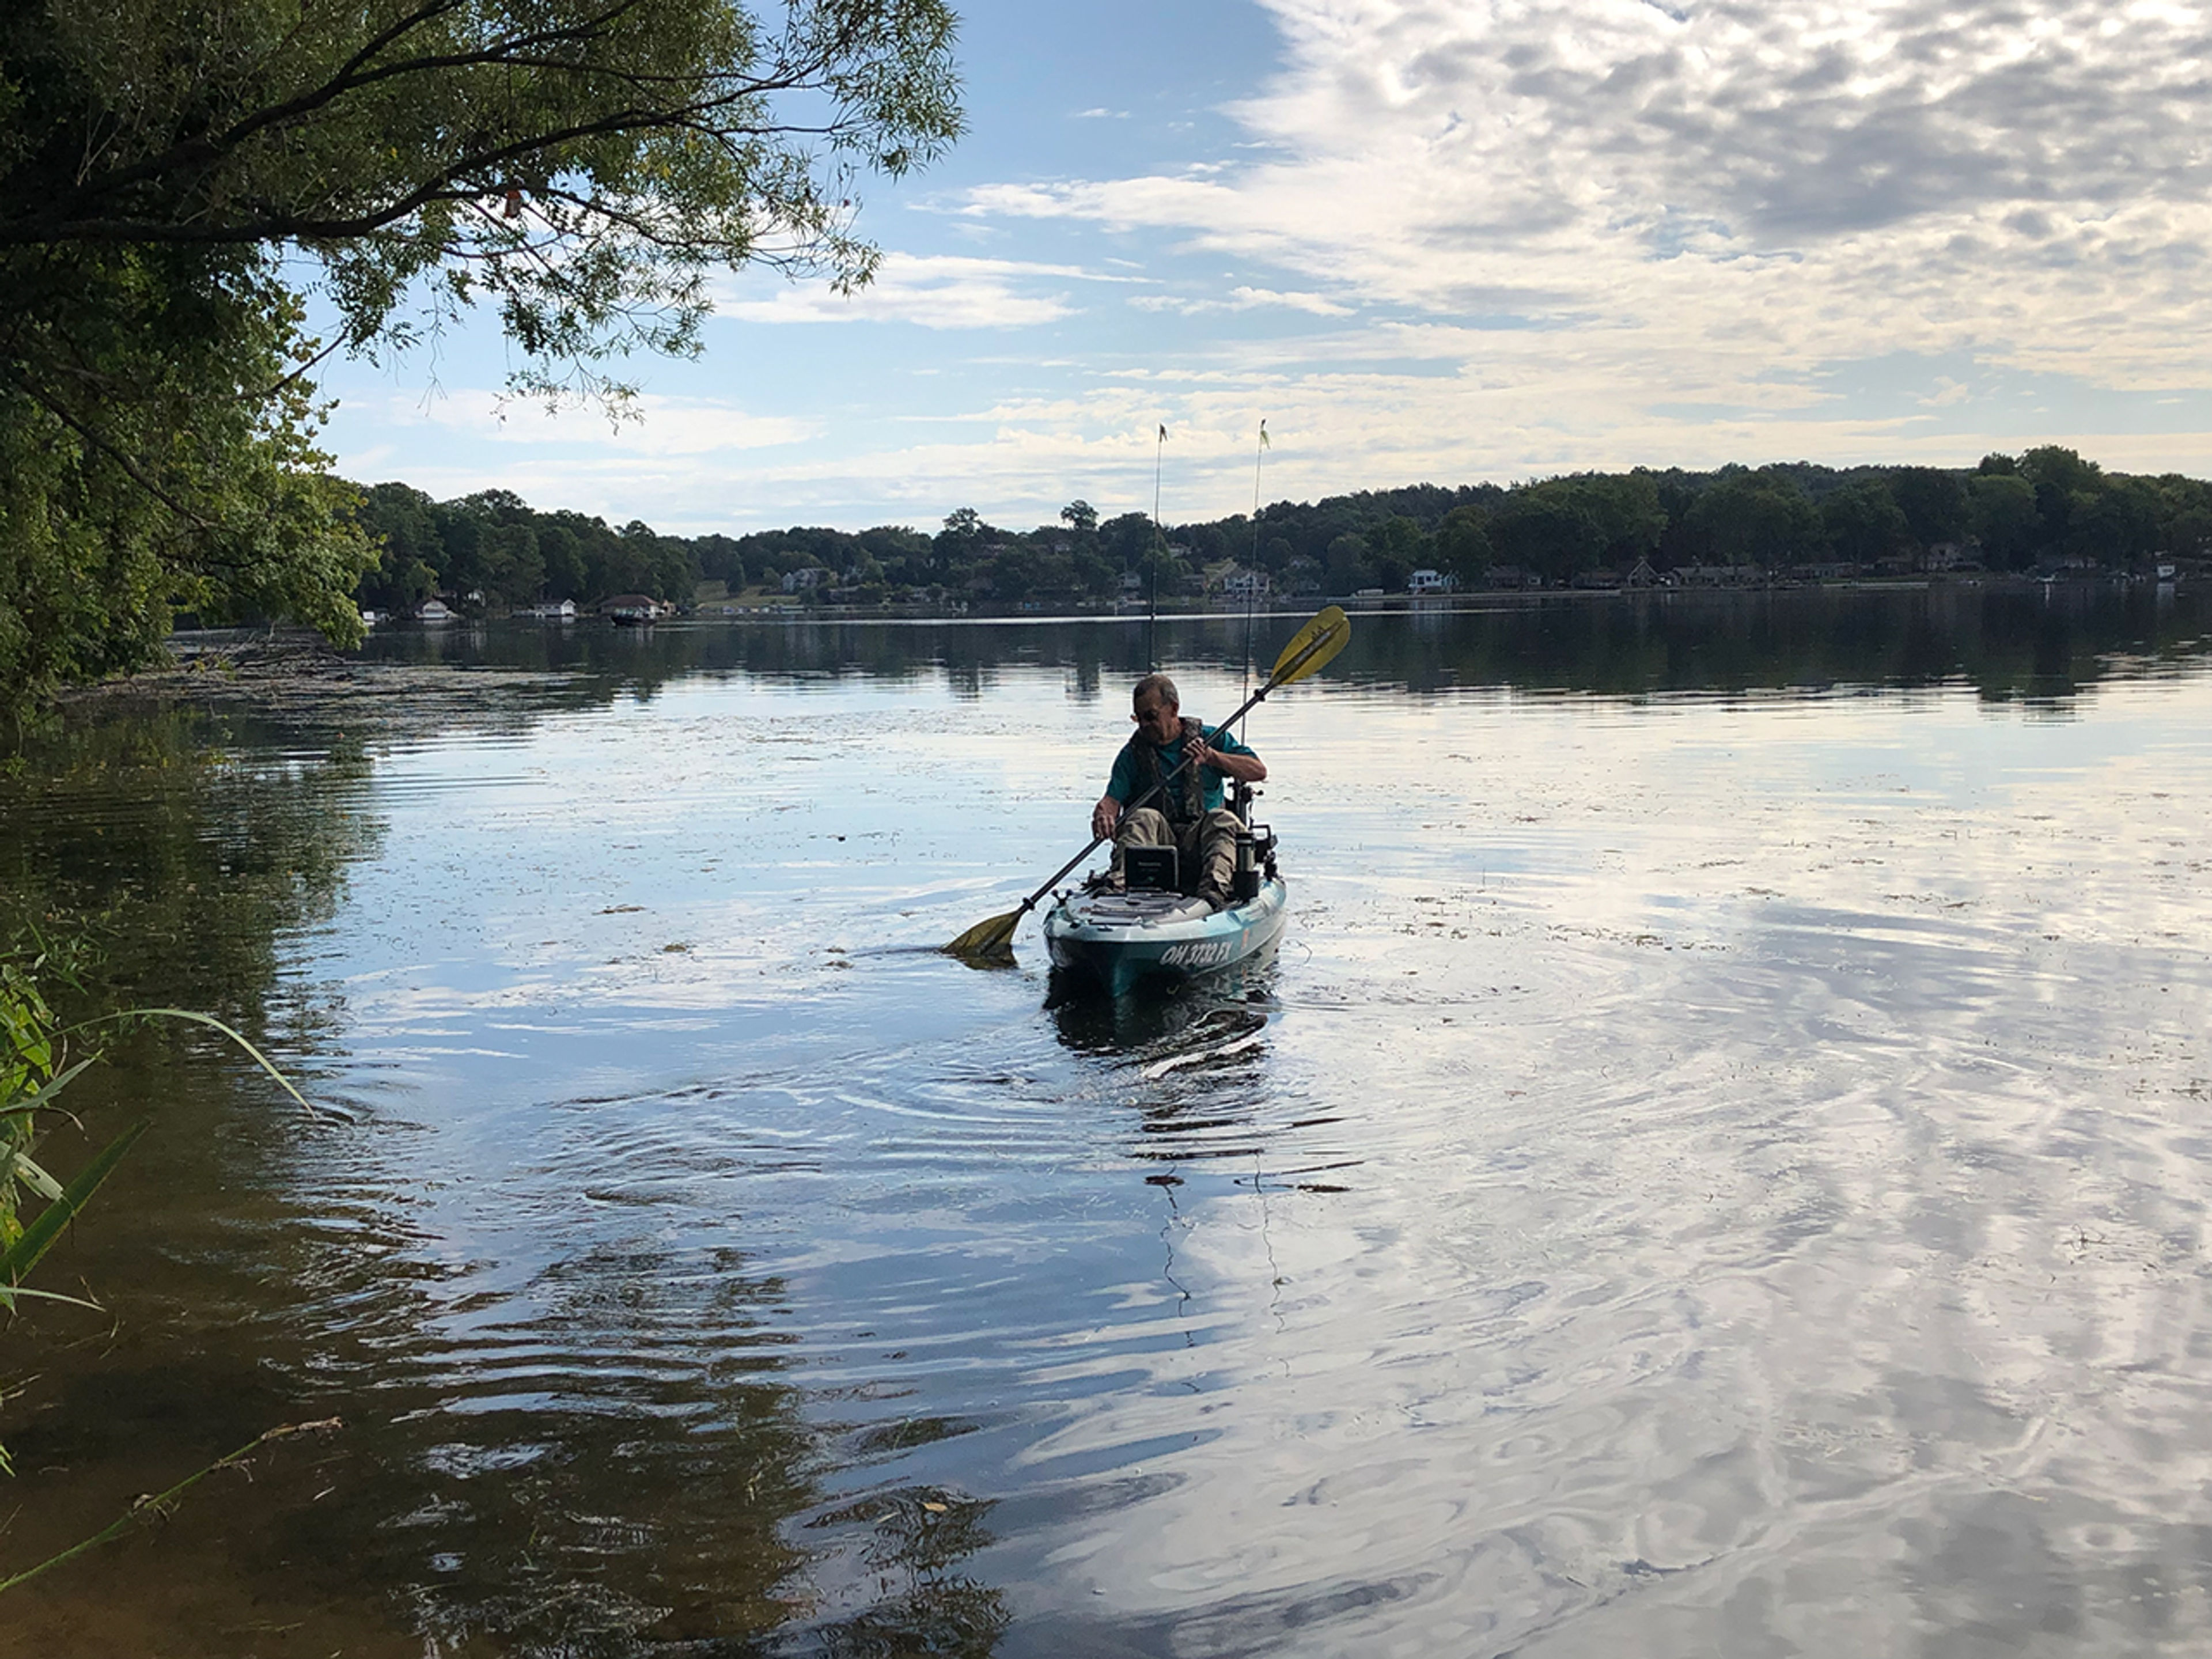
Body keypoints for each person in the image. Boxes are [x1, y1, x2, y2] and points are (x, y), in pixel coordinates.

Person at [1091, 672, 1267, 908]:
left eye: (1151, 716)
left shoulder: (1211, 738)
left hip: (1202, 840)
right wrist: (1104, 813)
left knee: (1223, 819)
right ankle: (1118, 887)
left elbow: (1258, 771)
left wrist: (1213, 758)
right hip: (1157, 848)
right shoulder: (1131, 754)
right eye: (1139, 718)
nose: (1144, 725)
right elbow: (1112, 799)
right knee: (1143, 817)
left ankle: (1214, 892)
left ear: (1173, 709)